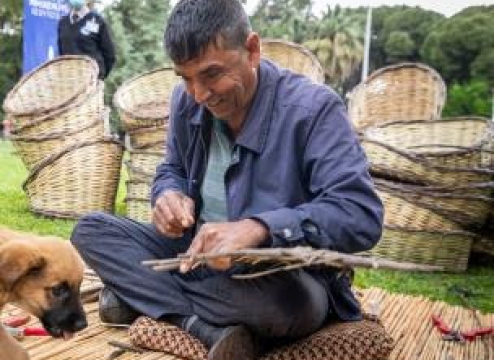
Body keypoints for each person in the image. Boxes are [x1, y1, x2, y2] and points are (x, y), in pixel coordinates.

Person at [70, 0, 384, 359]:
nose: (200, 95)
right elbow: (171, 169)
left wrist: (259, 228)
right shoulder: (187, 100)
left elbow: (360, 214)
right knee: (90, 231)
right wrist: (168, 194)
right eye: (185, 78)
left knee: (290, 306)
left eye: (211, 74)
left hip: (276, 275)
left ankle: (139, 296)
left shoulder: (314, 111)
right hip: (193, 255)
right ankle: (195, 323)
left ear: (252, 50)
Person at [57, 0, 116, 80]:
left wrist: (99, 77)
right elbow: (62, 54)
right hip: (70, 81)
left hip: (91, 82)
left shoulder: (98, 21)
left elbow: (110, 55)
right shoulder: (62, 23)